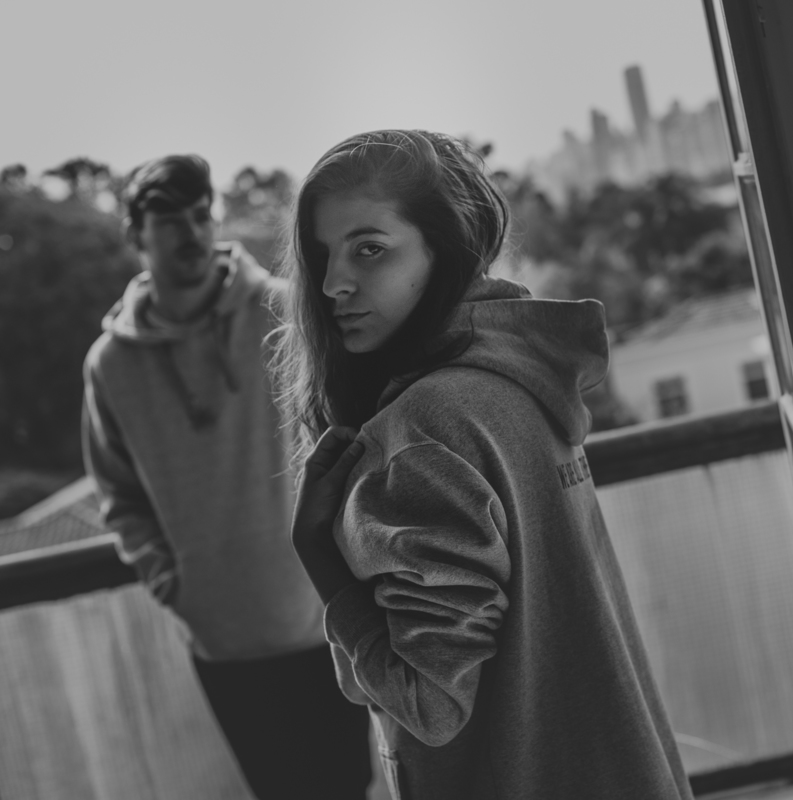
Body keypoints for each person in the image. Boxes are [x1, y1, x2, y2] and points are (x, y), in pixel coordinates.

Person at [275, 129, 693, 800]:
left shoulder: (421, 433)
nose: (331, 284)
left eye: (370, 249)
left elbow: (430, 706)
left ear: (447, 248)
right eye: (323, 256)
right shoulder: (521, 381)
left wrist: (320, 558)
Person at [82, 155, 371, 800]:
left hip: (324, 611)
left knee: (354, 790)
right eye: (167, 219)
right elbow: (119, 496)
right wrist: (177, 584)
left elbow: (354, 429)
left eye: (198, 212)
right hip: (224, 642)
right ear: (136, 234)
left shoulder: (287, 310)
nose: (189, 230)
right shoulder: (110, 366)